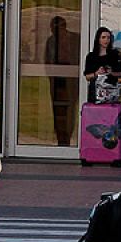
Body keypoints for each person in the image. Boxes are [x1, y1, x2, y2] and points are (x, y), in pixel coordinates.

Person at [45, 15, 79, 146]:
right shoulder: (51, 41)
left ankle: (68, 137)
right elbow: (47, 60)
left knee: (70, 109)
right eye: (52, 28)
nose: (54, 31)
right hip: (57, 79)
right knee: (57, 109)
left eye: (57, 27)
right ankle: (60, 140)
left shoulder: (75, 39)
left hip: (71, 79)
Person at [83, 26, 121, 105]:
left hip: (111, 93)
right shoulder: (91, 56)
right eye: (103, 37)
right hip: (95, 94)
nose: (106, 40)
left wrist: (111, 72)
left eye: (108, 38)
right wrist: (97, 73)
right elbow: (87, 76)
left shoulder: (115, 55)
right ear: (98, 39)